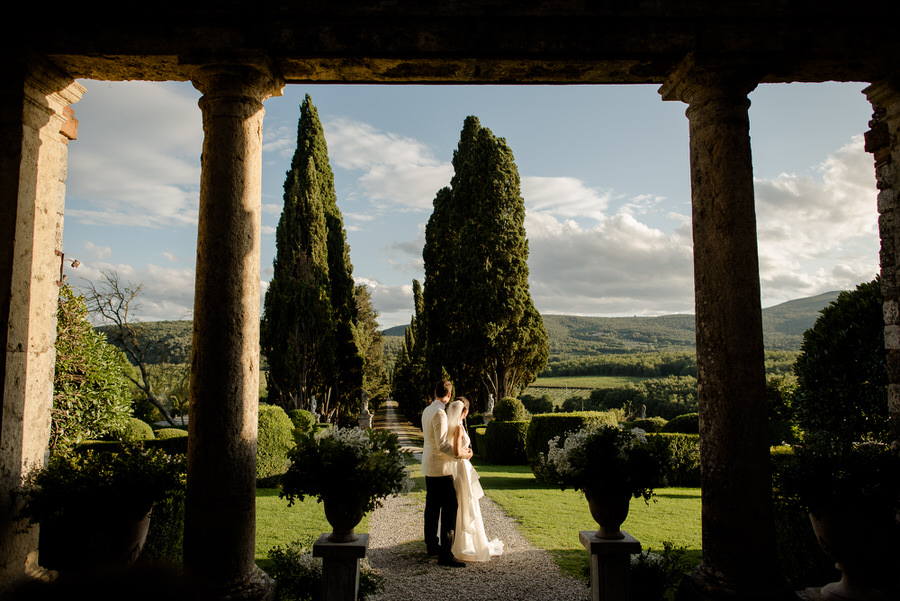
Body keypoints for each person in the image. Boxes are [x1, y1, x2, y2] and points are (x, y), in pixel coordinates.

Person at [446, 397, 504, 562]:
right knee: (466, 502)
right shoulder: (457, 427)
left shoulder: (452, 426)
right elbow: (457, 452)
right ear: (464, 412)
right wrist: (469, 454)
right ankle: (465, 544)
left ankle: (461, 541)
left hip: (459, 469)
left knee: (463, 503)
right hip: (461, 467)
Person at [421, 379, 471, 567]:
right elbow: (442, 444)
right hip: (441, 468)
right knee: (450, 508)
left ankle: (432, 546)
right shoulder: (440, 414)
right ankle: (445, 555)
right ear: (449, 395)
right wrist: (460, 455)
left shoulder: (427, 410)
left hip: (428, 466)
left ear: (435, 392)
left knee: (432, 509)